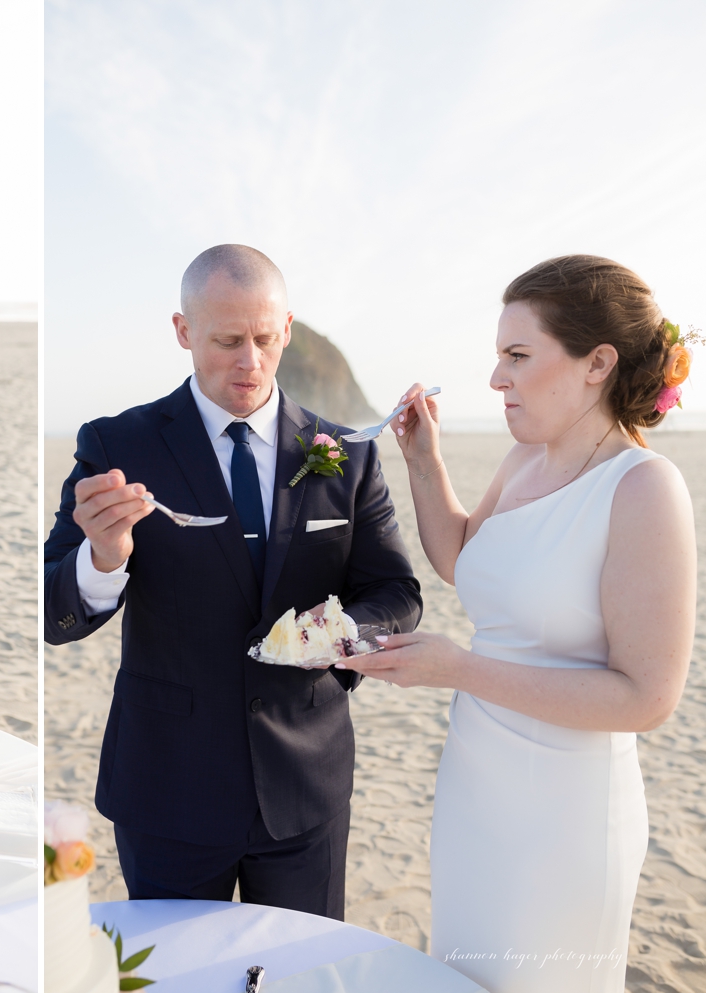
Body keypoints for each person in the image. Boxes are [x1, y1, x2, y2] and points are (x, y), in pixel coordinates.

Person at [41, 244, 422, 919]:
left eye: (265, 339)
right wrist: (103, 557)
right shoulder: (115, 443)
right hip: (167, 790)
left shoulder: (347, 453)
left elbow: (397, 593)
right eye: (226, 340)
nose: (249, 361)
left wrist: (339, 634)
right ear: (184, 332)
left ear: (288, 331)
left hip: (307, 789)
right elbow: (51, 610)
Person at [346, 255, 694, 990]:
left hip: (563, 817)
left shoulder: (643, 488)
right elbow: (464, 559)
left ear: (597, 362)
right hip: (475, 790)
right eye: (497, 357)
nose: (497, 378)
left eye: (517, 356)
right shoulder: (524, 457)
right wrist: (421, 458)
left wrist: (458, 669)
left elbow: (648, 697)